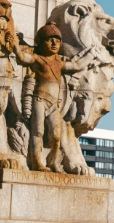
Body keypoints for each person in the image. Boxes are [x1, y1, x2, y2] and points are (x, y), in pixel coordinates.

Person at [13, 25, 87, 172]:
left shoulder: (59, 63)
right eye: (49, 40)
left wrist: (92, 54)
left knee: (56, 135)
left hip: (54, 104)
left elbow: (77, 65)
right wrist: (14, 43)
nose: (54, 43)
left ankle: (52, 162)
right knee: (38, 132)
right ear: (41, 42)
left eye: (57, 40)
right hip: (40, 100)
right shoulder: (38, 59)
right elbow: (22, 58)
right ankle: (36, 163)